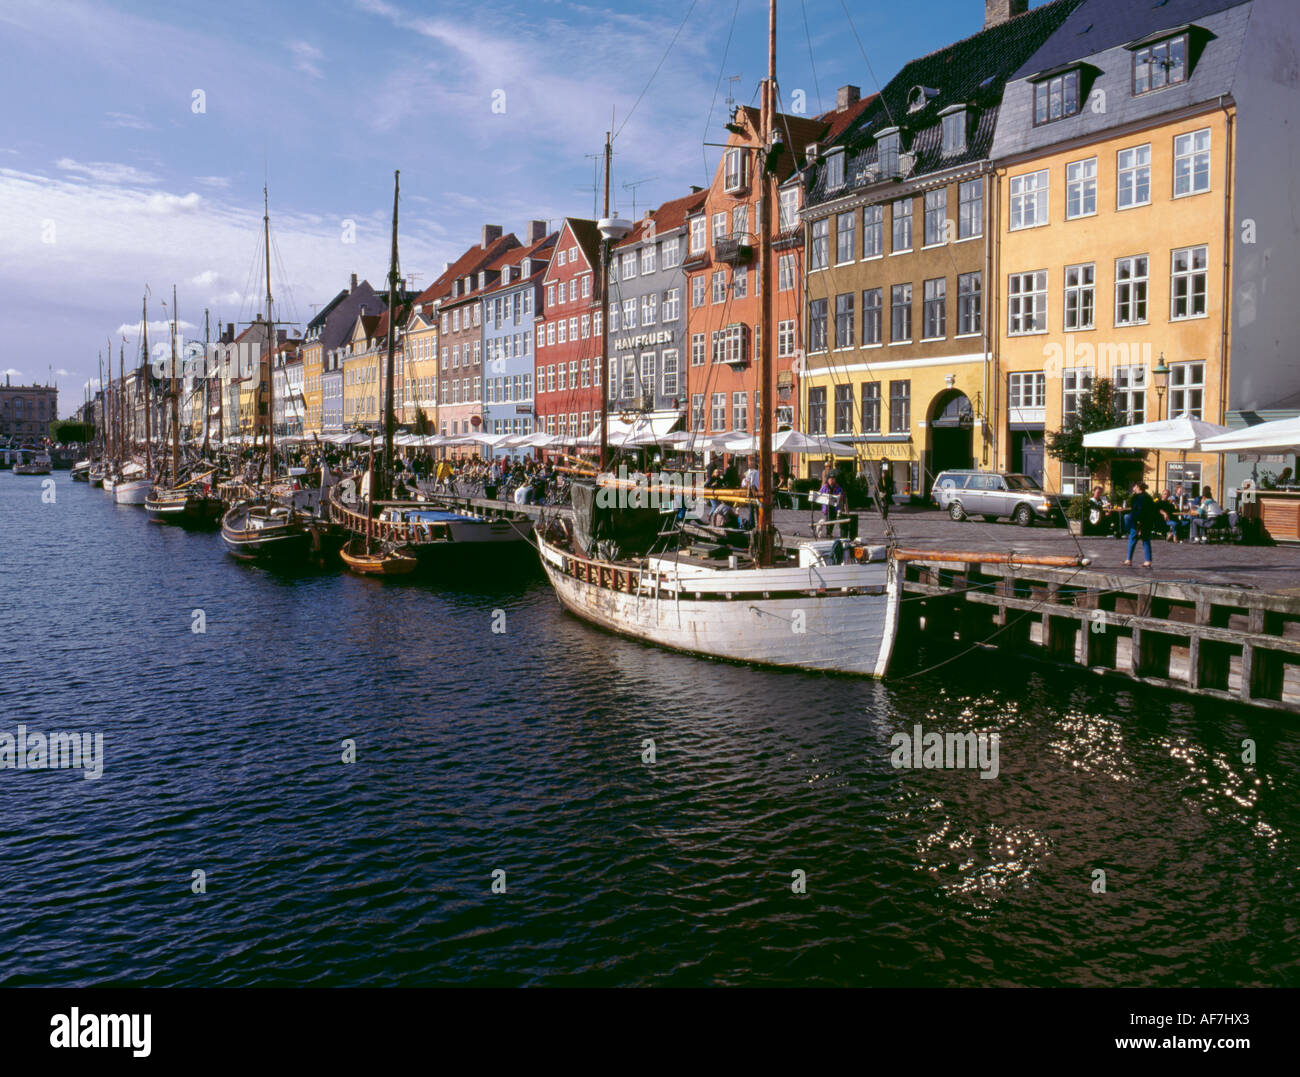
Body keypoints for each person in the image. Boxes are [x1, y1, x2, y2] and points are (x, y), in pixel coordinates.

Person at [1123, 481, 1158, 568]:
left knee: (1132, 540)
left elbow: (1138, 512)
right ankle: (1147, 560)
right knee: (1146, 541)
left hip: (1138, 522)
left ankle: (1129, 559)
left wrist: (1139, 525)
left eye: (1134, 486)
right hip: (1147, 522)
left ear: (1138, 487)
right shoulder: (1148, 497)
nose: (1133, 488)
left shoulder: (1138, 498)